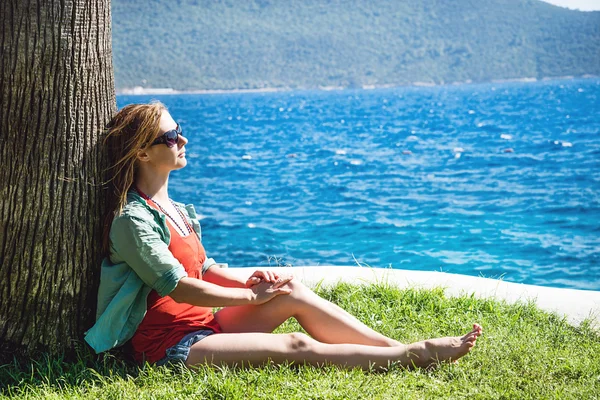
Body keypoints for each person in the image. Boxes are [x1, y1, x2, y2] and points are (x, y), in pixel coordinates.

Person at [84, 101, 482, 370]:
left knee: (292, 291)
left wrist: (258, 280)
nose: (182, 140)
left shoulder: (174, 208)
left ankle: (392, 349)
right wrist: (249, 296)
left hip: (207, 326)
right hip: (171, 347)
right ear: (142, 154)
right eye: (170, 138)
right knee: (296, 346)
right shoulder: (132, 221)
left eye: (179, 131)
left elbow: (205, 268)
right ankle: (414, 355)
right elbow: (183, 288)